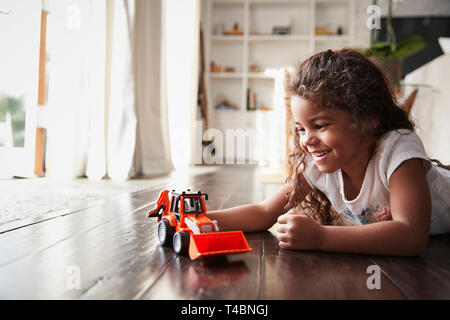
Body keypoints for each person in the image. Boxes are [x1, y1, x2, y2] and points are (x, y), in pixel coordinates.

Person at [207, 49, 450, 256]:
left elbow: (411, 235)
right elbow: (263, 212)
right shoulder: (319, 164)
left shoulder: (397, 149)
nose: (306, 140)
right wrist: (197, 218)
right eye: (300, 129)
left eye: (320, 126)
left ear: (368, 117)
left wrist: (320, 238)